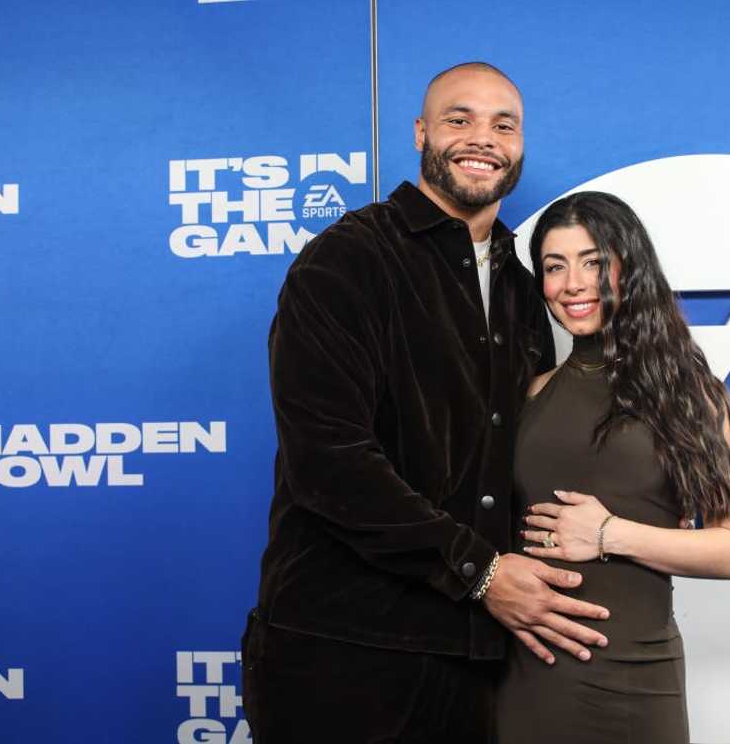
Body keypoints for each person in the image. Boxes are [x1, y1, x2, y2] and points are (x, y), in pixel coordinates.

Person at [241, 62, 611, 744]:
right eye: (459, 119)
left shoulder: (525, 292)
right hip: (344, 655)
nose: (483, 138)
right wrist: (481, 571)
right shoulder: (346, 261)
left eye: (504, 124)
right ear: (420, 132)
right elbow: (330, 462)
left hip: (478, 662)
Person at [496, 191, 730, 744]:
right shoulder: (530, 393)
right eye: (554, 266)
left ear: (628, 265)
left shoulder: (689, 394)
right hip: (536, 679)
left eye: (593, 261)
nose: (573, 284)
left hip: (644, 681)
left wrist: (610, 534)